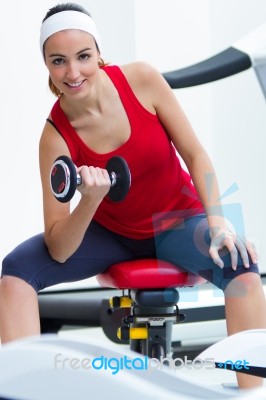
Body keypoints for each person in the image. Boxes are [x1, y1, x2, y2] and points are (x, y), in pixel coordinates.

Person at [0, 2, 265, 389]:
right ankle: (24, 392)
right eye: (59, 61)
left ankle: (254, 393)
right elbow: (58, 247)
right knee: (15, 273)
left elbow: (195, 153)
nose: (72, 73)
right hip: (111, 233)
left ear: (99, 54)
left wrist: (218, 220)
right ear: (46, 65)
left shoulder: (142, 79)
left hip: (177, 219)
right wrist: (89, 200)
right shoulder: (54, 136)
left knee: (241, 267)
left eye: (83, 56)